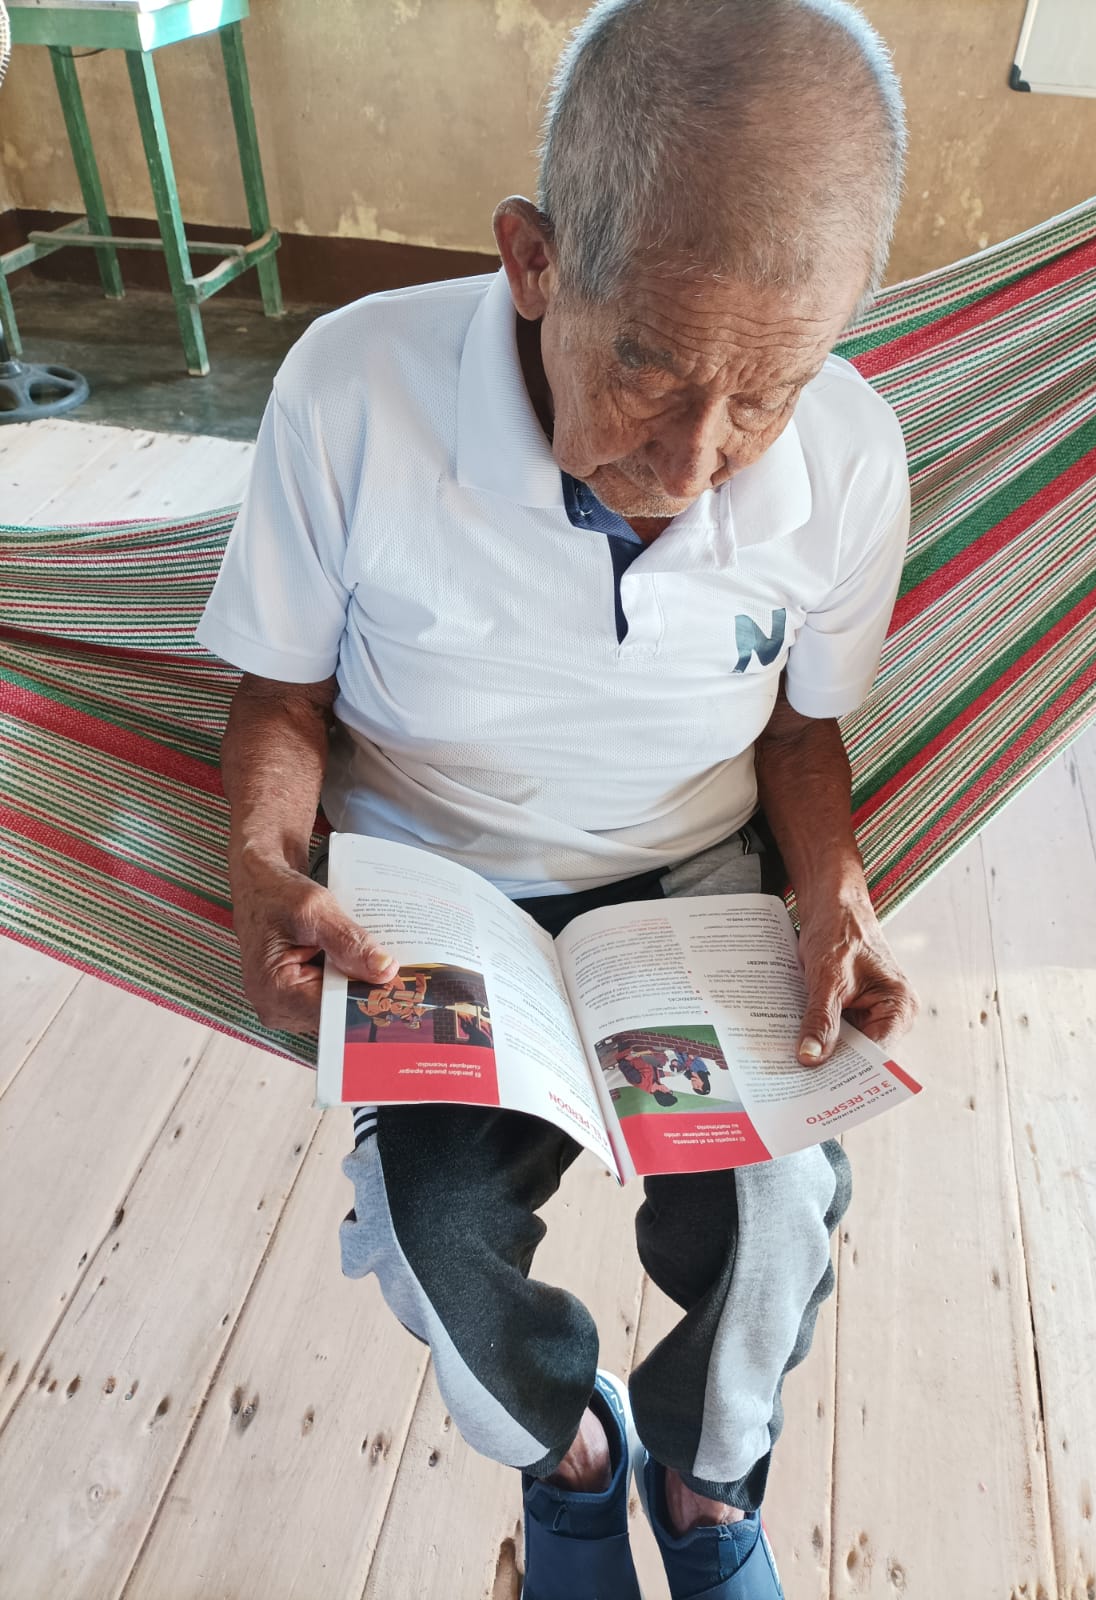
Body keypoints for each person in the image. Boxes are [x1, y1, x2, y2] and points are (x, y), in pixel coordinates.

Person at [197, 2, 919, 1594]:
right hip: (435, 898)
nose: (700, 457)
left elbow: (803, 736)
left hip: (691, 888)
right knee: (433, 1232)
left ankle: (702, 1490)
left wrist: (833, 894)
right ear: (531, 260)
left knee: (784, 1210)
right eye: (650, 363)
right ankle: (573, 1461)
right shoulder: (351, 393)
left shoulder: (855, 458)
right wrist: (261, 861)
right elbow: (282, 695)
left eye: (769, 392)